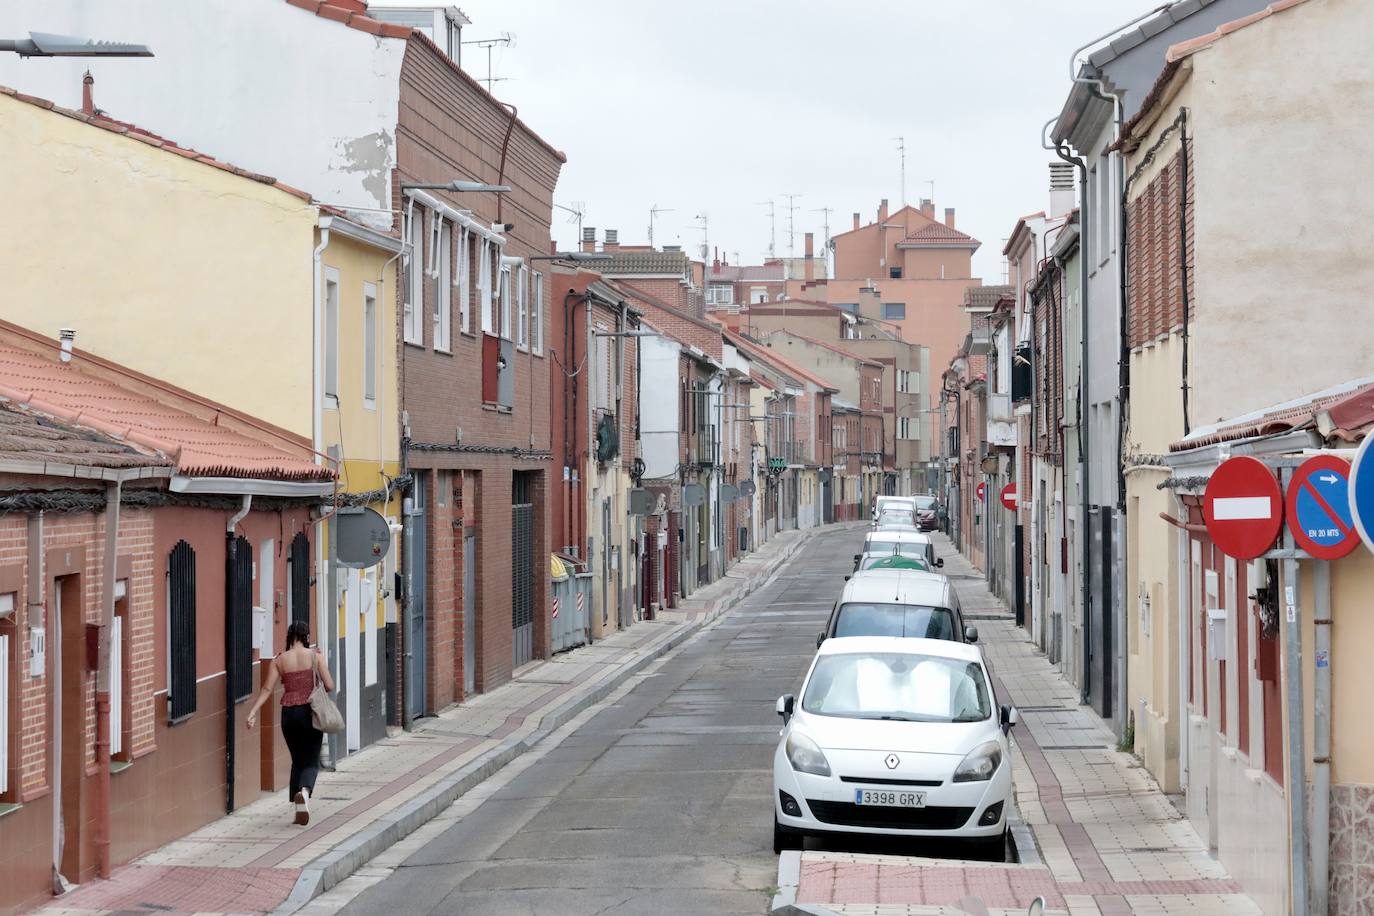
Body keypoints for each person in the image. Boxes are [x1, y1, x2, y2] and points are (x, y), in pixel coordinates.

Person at [246, 621, 334, 826]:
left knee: (297, 759)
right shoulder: (315, 656)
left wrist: (252, 711)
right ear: (306, 636)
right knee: (311, 760)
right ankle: (303, 791)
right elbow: (329, 685)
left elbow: (267, 689)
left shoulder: (279, 660)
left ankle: (298, 810)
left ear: (290, 636)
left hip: (288, 715)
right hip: (309, 713)